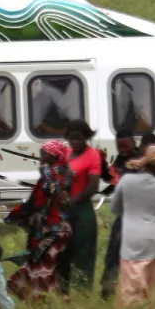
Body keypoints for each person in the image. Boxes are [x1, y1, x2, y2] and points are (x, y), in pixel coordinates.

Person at [106, 145, 155, 309]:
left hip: (133, 241)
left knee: (131, 288)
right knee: (150, 288)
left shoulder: (127, 181)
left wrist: (130, 211)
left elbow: (114, 209)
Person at [7, 142, 74, 306]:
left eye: (45, 153)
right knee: (46, 266)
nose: (41, 156)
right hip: (61, 228)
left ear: (54, 155)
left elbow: (38, 201)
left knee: (42, 267)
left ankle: (42, 301)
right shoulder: (66, 173)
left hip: (50, 229)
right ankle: (55, 299)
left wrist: (18, 213)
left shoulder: (49, 175)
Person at [59, 120, 103, 294]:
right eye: (72, 138)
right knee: (62, 252)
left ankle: (82, 292)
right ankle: (63, 290)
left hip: (82, 210)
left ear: (86, 137)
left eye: (79, 138)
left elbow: (93, 186)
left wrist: (74, 201)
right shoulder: (66, 153)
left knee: (83, 253)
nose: (75, 142)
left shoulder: (93, 155)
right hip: (64, 210)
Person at [98, 134, 143, 299]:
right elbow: (111, 179)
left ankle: (134, 291)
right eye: (119, 147)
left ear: (134, 143)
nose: (123, 150)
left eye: (126, 146)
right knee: (114, 250)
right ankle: (108, 289)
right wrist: (102, 163)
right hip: (124, 213)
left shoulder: (141, 161)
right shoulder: (121, 160)